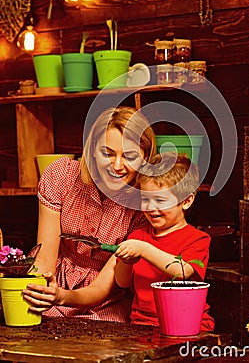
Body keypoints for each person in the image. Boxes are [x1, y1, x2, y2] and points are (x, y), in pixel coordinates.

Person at [25, 152, 214, 331]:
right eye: (146, 200)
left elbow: (183, 271)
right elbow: (122, 282)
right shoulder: (139, 235)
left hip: (188, 324)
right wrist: (126, 261)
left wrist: (144, 250)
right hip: (141, 324)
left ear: (187, 201)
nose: (151, 208)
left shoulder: (196, 239)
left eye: (160, 200)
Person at [24, 106, 157, 321]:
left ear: (145, 157)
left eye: (129, 156)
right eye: (108, 153)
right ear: (93, 150)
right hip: (54, 280)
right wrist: (42, 291)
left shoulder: (144, 204)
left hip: (103, 298)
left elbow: (104, 285)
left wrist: (64, 297)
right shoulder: (63, 175)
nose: (117, 165)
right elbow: (45, 258)